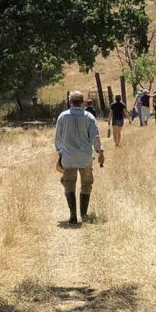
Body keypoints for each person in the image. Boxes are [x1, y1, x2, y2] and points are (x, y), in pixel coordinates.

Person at [55, 90, 105, 224]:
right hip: (85, 158)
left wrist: (60, 152)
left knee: (69, 184)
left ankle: (72, 215)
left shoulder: (63, 116)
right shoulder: (89, 117)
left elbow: (58, 139)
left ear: (70, 102)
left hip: (69, 157)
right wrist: (100, 152)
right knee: (86, 184)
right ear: (82, 102)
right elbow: (95, 137)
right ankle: (83, 214)